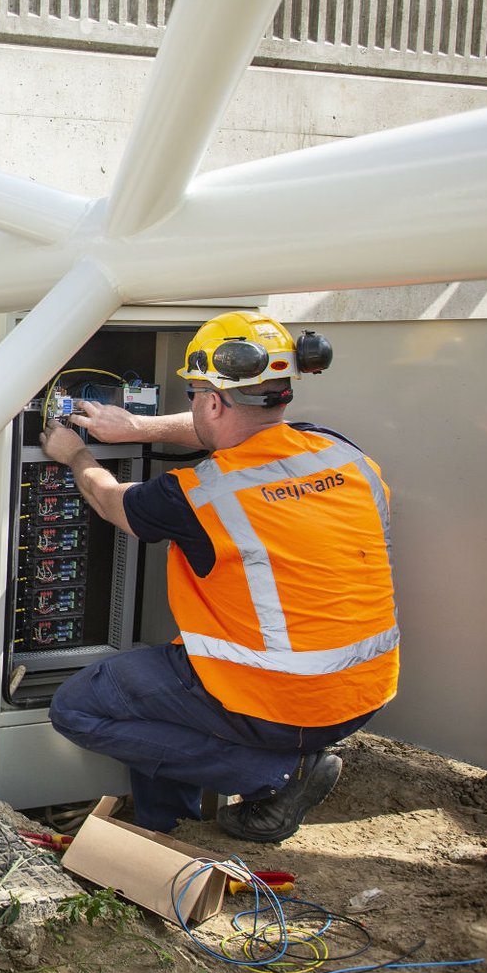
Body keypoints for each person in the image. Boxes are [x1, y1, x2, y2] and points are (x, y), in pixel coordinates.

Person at [37, 310, 398, 843]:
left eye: (194, 394)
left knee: (78, 707)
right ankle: (167, 824)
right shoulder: (339, 452)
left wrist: (76, 453)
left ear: (210, 401)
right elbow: (236, 430)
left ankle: (273, 777)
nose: (192, 404)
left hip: (281, 702)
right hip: (361, 694)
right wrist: (138, 428)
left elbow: (110, 501)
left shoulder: (196, 493)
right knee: (169, 678)